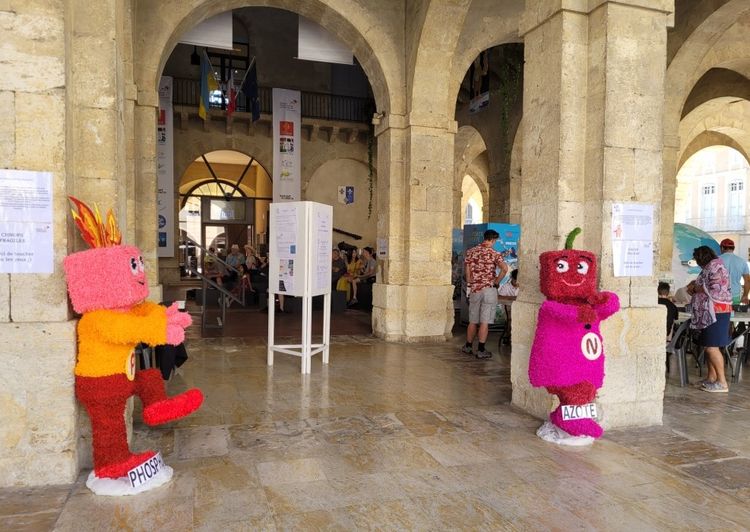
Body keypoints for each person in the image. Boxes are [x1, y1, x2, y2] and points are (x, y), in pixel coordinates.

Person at [687, 246, 732, 393]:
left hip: (716, 311)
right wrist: (694, 285)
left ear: (702, 257)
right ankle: (711, 378)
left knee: (712, 347)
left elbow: (715, 289)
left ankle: (722, 382)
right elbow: (703, 283)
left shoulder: (716, 266)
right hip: (709, 312)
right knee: (708, 346)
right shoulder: (710, 266)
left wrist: (695, 288)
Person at [463, 229, 508, 359]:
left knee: (472, 320)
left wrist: (471, 282)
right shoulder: (494, 253)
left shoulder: (471, 252)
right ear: (493, 240)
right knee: (484, 321)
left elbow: (467, 272)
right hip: (488, 289)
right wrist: (496, 282)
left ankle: (468, 346)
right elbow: (504, 269)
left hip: (475, 289)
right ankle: (481, 349)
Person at [718, 238, 750, 306]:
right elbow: (747, 281)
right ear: (733, 248)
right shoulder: (742, 261)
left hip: (718, 295)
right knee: (734, 315)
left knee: (720, 316)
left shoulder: (716, 260)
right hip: (735, 295)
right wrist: (745, 296)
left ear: (722, 248)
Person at [498, 268, 519, 346]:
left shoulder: (523, 287)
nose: (517, 283)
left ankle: (515, 337)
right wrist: (512, 298)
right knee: (510, 318)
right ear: (512, 278)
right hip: (508, 309)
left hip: (518, 310)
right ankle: (508, 336)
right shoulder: (506, 286)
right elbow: (499, 297)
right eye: (515, 280)